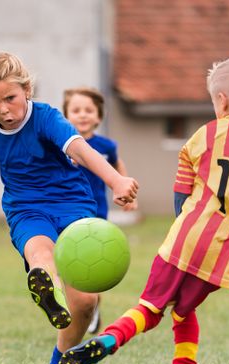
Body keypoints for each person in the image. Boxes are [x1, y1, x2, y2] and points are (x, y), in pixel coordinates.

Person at [58, 56, 229, 364]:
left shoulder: (208, 133)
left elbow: (182, 187)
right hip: (227, 253)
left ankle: (108, 339)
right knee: (183, 311)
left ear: (221, 101)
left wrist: (183, 223)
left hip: (187, 239)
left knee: (150, 308)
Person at [0, 52, 139, 364]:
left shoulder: (47, 118)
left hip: (73, 207)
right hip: (26, 210)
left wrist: (116, 181)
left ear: (27, 90)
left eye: (10, 99)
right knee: (40, 251)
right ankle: (45, 286)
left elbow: (80, 150)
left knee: (87, 302)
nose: (3, 109)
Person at [62, 87, 137, 334]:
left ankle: (92, 306)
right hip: (66, 210)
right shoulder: (61, 144)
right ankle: (74, 305)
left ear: (98, 116)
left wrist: (126, 191)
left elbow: (117, 164)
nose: (82, 115)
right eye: (76, 110)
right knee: (69, 263)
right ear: (66, 116)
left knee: (93, 264)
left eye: (88, 110)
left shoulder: (105, 145)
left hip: (96, 214)